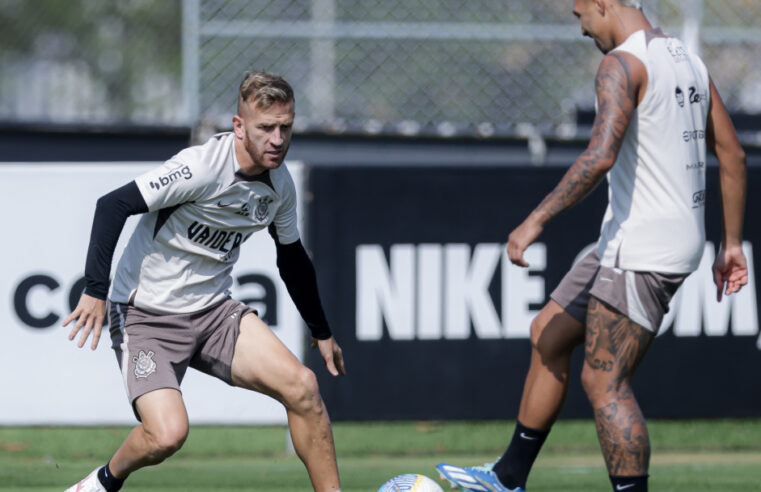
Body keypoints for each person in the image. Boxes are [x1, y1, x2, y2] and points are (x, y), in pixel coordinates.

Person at [436, 1, 748, 491]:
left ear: (603, 3)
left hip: (642, 249)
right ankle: (507, 477)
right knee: (548, 332)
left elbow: (600, 156)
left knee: (605, 382)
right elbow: (732, 153)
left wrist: (534, 219)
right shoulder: (687, 58)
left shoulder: (621, 64)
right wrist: (731, 244)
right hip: (636, 241)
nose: (581, 28)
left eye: (580, 13)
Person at [63, 70, 345, 492]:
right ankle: (103, 481)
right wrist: (95, 290)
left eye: (285, 127)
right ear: (238, 126)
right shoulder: (200, 167)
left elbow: (291, 258)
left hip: (214, 312)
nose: (277, 139)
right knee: (168, 434)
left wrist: (321, 331)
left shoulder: (279, 187)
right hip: (146, 316)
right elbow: (112, 205)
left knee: (303, 388)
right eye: (265, 128)